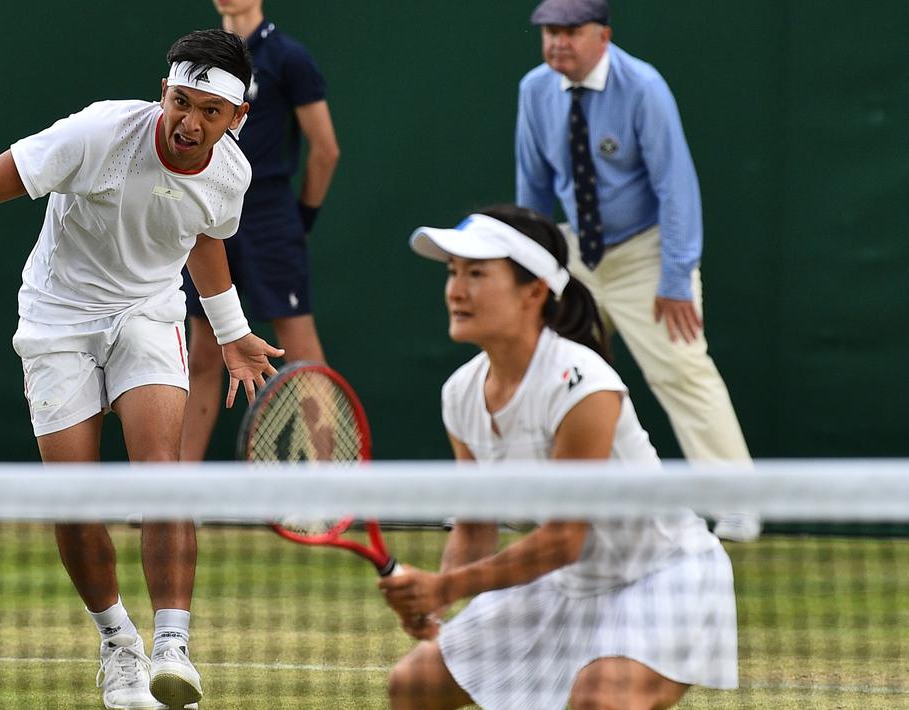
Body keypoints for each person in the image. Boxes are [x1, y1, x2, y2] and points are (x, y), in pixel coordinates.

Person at [0, 29, 283, 710]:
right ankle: (117, 646)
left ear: (236, 119)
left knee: (163, 475)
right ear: (161, 91)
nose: (189, 123)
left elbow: (202, 241)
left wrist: (231, 333)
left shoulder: (231, 177)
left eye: (209, 112)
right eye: (179, 101)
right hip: (58, 316)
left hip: (145, 311)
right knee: (71, 502)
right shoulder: (96, 135)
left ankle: (172, 648)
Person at [380, 205, 738, 709]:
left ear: (534, 291)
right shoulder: (460, 394)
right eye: (452, 273)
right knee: (413, 685)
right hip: (565, 585)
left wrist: (442, 586)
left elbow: (566, 539)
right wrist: (439, 606)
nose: (456, 291)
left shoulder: (583, 384)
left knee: (599, 702)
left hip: (663, 580)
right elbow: (475, 525)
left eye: (477, 274)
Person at [514, 0, 759, 541]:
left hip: (645, 253)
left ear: (602, 36)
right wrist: (532, 268)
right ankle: (528, 496)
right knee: (538, 367)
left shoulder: (643, 87)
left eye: (570, 32)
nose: (557, 43)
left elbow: (677, 185)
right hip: (573, 254)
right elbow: (532, 191)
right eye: (549, 32)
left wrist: (675, 278)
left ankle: (738, 504)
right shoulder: (534, 90)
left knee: (682, 368)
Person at [179, 0, 341, 462]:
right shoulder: (201, 58)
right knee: (204, 354)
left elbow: (325, 150)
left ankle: (329, 486)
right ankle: (173, 495)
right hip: (207, 214)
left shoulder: (289, 58)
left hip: (270, 217)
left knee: (303, 354)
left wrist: (300, 219)